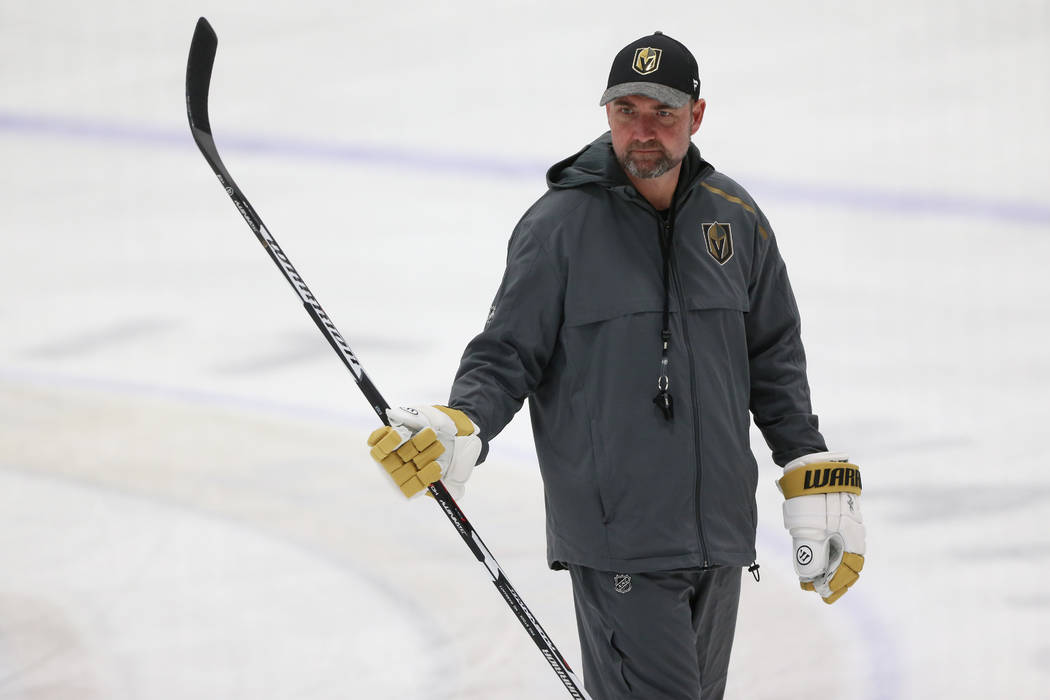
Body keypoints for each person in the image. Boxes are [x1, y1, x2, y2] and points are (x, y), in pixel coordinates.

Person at [367, 31, 866, 700]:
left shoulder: (737, 221)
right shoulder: (559, 227)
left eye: (662, 112)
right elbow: (507, 352)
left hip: (718, 539)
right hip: (620, 542)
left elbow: (772, 358)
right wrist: (464, 421)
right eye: (626, 110)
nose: (643, 131)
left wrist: (809, 467)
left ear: (697, 113)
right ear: (606, 114)